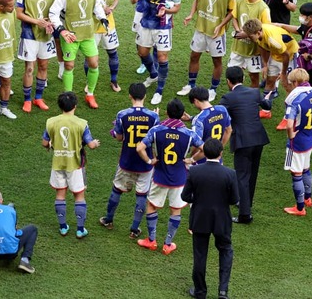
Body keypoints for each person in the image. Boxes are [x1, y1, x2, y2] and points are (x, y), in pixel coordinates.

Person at [136, 98, 203, 255]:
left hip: (160, 175)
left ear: (166, 112)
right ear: (182, 114)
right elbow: (205, 149)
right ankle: (167, 244)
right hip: (179, 178)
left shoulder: (156, 130)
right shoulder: (189, 134)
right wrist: (191, 160)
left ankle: (151, 240)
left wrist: (149, 161)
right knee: (175, 209)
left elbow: (139, 148)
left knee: (152, 205)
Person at [99, 83, 160, 238]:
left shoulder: (122, 114)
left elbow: (119, 137)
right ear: (145, 96)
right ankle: (134, 229)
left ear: (130, 96)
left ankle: (108, 220)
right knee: (141, 195)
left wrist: (114, 132)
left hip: (126, 161)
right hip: (145, 163)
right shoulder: (153, 116)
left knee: (117, 190)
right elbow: (155, 139)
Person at [182, 138, 239, 299]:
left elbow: (185, 196)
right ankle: (223, 291)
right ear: (221, 153)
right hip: (222, 219)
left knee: (200, 254)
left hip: (200, 217)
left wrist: (199, 200)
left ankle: (200, 291)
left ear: (204, 153)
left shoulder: (195, 171)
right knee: (225, 250)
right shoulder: (230, 173)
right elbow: (234, 199)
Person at [42, 92, 100, 238]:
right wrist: (96, 143)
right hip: (76, 165)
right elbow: (91, 145)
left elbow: (44, 142)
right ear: (75, 105)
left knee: (60, 194)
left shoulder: (51, 122)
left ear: (60, 106)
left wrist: (51, 145)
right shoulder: (82, 123)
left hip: (58, 164)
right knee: (79, 195)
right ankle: (80, 229)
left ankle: (63, 227)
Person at [49, 0, 108, 109]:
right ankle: (68, 96)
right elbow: (53, 13)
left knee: (94, 63)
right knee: (69, 65)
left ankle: (90, 94)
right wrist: (62, 30)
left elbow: (96, 5)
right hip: (71, 36)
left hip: (87, 35)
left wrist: (102, 18)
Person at [219, 66, 271, 223]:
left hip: (243, 141)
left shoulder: (228, 97)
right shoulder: (254, 92)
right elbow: (267, 106)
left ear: (228, 81)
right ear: (243, 78)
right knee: (252, 174)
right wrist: (267, 98)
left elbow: (217, 115)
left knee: (242, 176)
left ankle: (244, 215)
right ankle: (246, 204)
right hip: (258, 138)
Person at [179, 0, 236, 101]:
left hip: (216, 33)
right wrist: (191, 14)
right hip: (201, 28)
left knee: (217, 61)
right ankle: (191, 85)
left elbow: (232, 11)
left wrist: (220, 25)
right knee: (194, 56)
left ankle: (213, 89)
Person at [132, 0, 182, 106]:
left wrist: (166, 10)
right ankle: (153, 75)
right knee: (142, 52)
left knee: (162, 57)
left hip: (163, 26)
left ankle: (159, 90)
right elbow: (133, 1)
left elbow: (177, 8)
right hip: (146, 23)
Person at [276, 2, 312, 134]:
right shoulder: (306, 26)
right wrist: (280, 25)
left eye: (302, 15)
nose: (300, 17)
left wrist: (310, 56)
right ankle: (306, 117)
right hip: (307, 67)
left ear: (310, 17)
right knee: (305, 90)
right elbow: (297, 29)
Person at [281, 69, 312, 216]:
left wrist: (291, 135)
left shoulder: (294, 99)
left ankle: (300, 208)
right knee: (306, 169)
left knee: (296, 173)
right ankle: (308, 198)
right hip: (309, 138)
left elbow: (289, 125)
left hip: (297, 142)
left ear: (295, 82)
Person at [16, 0, 59, 113]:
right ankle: (27, 99)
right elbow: (18, 13)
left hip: (46, 34)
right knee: (29, 68)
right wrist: (37, 22)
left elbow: (59, 11)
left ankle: (38, 98)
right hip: (29, 33)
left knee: (43, 66)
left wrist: (50, 22)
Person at [241, 19, 298, 121]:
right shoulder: (259, 33)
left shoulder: (273, 40)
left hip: (289, 55)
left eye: (250, 36)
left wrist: (283, 73)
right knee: (270, 80)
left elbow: (286, 55)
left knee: (288, 85)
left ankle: (288, 117)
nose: (248, 38)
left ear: (258, 33)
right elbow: (262, 46)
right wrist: (265, 64)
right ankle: (266, 110)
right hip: (276, 54)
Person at [227, 0, 271, 88]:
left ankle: (252, 97)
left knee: (254, 77)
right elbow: (234, 18)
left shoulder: (263, 8)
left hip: (254, 51)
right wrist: (238, 30)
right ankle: (234, 96)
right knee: (231, 77)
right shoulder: (240, 0)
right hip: (238, 48)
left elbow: (265, 30)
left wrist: (245, 34)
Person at [89, 0, 123, 92]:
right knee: (91, 57)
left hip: (109, 24)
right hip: (92, 26)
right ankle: (89, 83)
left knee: (113, 52)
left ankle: (114, 80)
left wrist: (112, 8)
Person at [188, 87, 232, 159]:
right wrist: (219, 149)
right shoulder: (222, 109)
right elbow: (228, 130)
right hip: (217, 158)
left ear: (195, 101)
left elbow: (196, 144)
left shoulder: (199, 120)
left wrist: (192, 158)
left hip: (202, 160)